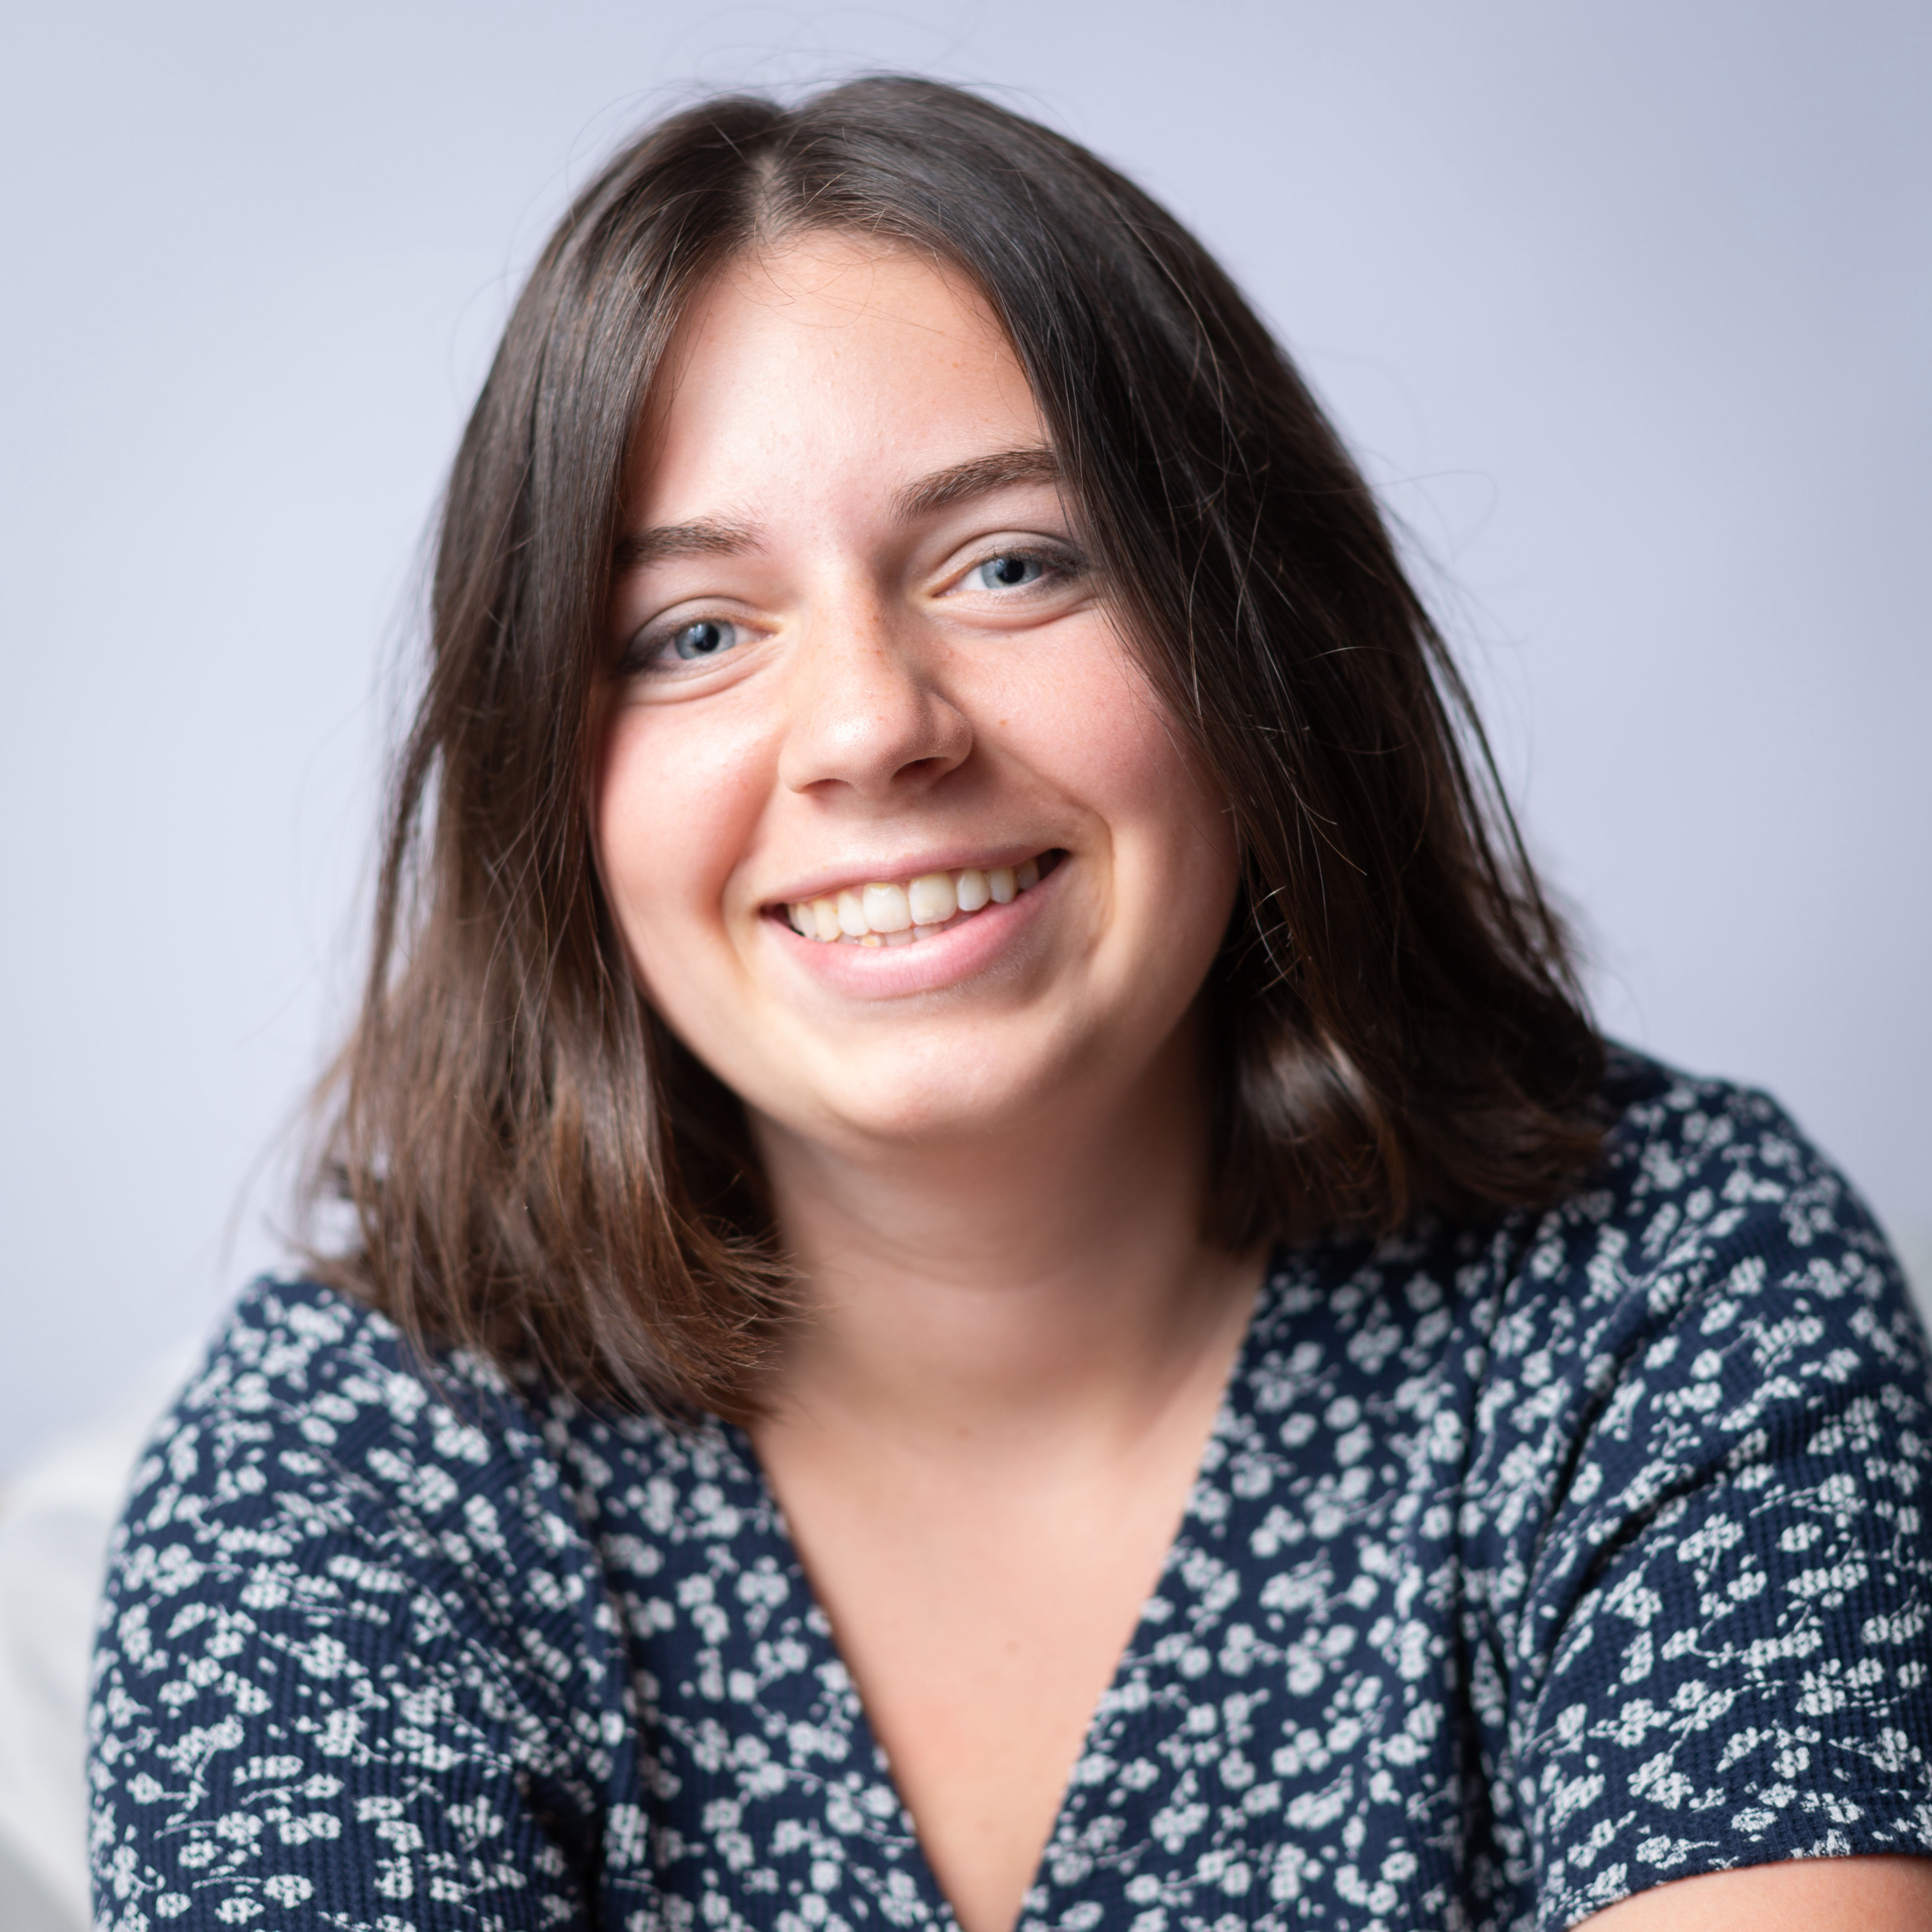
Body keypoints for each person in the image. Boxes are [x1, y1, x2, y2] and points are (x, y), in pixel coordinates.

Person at [87, 77, 1932, 1932]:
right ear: (547, 789)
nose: (872, 726)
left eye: (1014, 564)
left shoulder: (1665, 1284)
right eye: (695, 633)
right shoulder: (342, 1476)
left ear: (1253, 640)